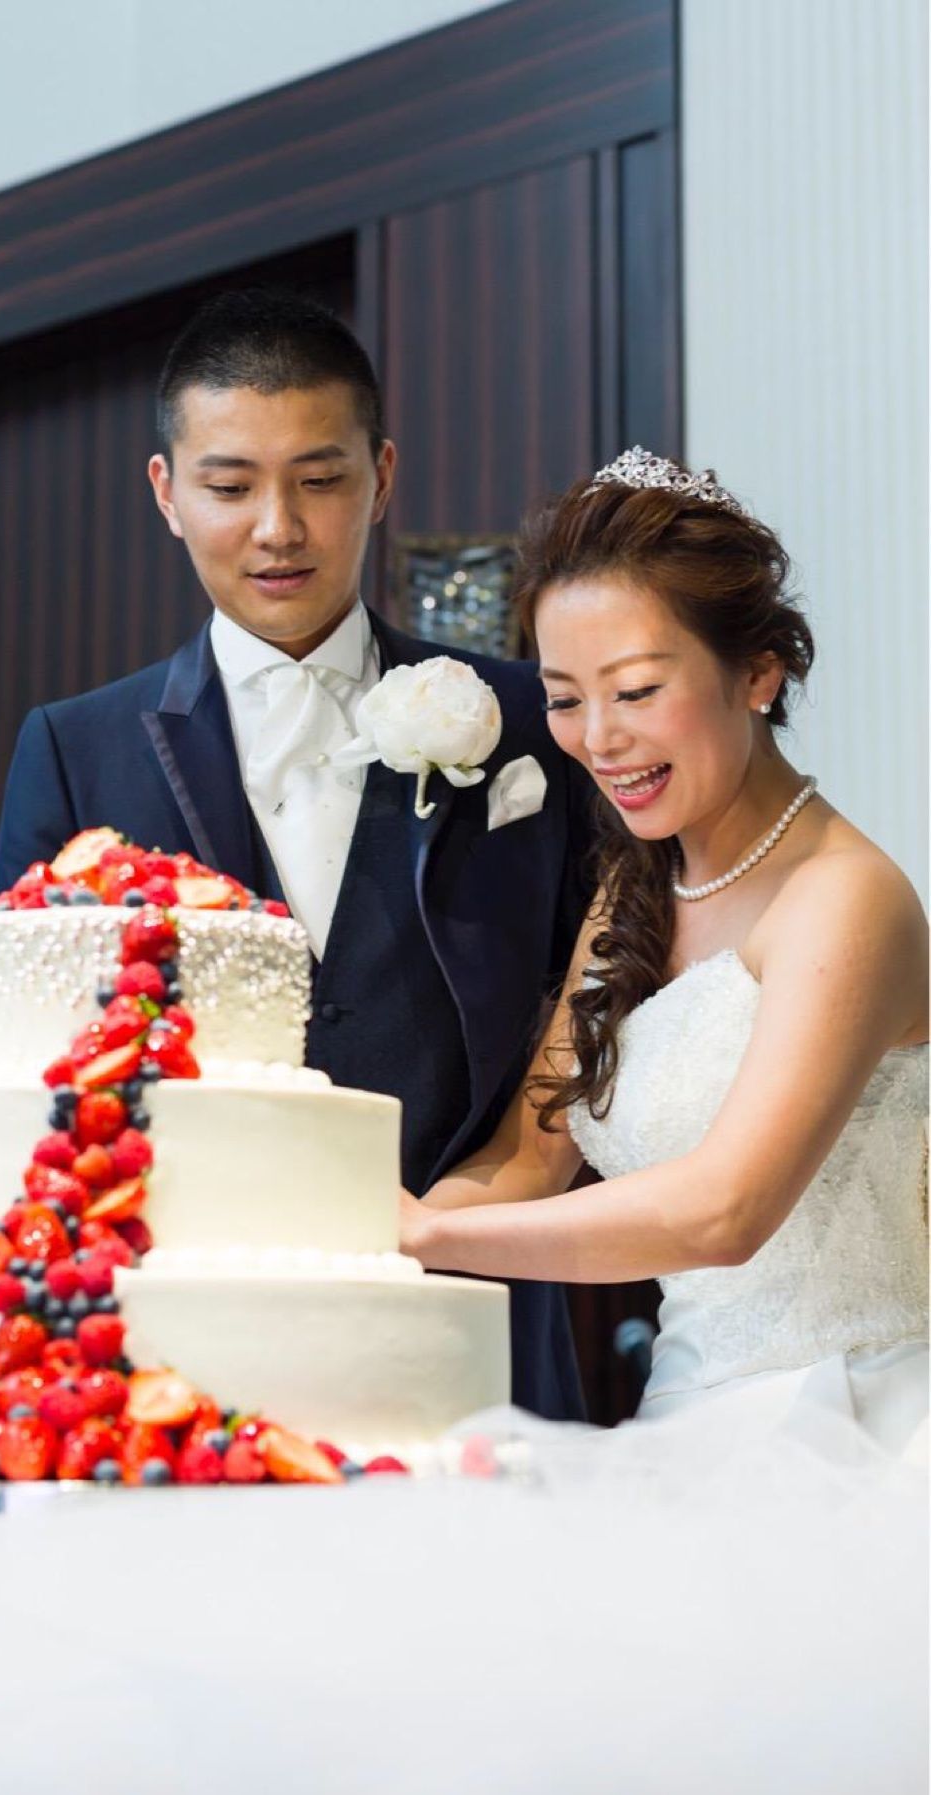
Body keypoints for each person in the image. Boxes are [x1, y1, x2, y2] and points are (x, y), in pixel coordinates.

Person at [0, 289, 597, 1420]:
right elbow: (37, 1062)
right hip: (182, 1336)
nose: (278, 527)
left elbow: (600, 983)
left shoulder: (530, 719)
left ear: (382, 475)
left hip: (475, 1315)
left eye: (319, 480)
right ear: (166, 492)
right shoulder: (73, 750)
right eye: (230, 487)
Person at [400, 447, 928, 1464]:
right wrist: (351, 1237)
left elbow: (726, 1211)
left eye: (636, 690)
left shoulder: (845, 899)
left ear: (758, 673)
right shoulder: (635, 892)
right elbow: (528, 1161)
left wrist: (421, 1234)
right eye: (564, 697)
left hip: (859, 1428)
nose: (598, 739)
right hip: (687, 1425)